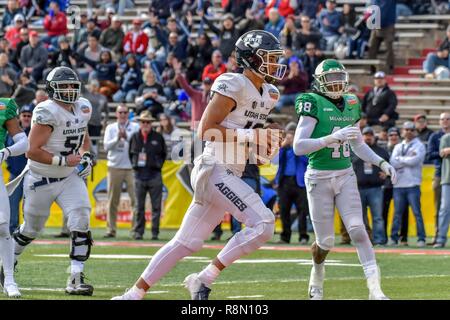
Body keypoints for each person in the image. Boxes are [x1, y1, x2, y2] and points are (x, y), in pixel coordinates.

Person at [112, 30, 285, 300]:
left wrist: (264, 145)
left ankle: (132, 295)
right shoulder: (233, 83)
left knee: (186, 242)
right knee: (263, 224)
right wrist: (254, 136)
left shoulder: (270, 93)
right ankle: (204, 278)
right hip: (214, 167)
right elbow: (205, 129)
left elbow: (247, 136)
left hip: (232, 169)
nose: (275, 64)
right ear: (251, 58)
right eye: (270, 58)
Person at [293, 59, 397, 300]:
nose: (336, 82)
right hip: (319, 177)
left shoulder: (351, 103)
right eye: (330, 78)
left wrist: (382, 162)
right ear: (320, 81)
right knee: (326, 241)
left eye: (339, 77)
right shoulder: (312, 102)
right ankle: (317, 274)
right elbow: (299, 147)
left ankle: (375, 290)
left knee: (358, 230)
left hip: (345, 174)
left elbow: (358, 145)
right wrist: (331, 138)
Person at [8, 67, 95, 296]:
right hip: (40, 177)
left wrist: (85, 157)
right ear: (51, 89)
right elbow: (31, 150)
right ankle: (7, 262)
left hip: (68, 177)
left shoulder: (83, 106)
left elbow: (83, 137)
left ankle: (76, 276)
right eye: (63, 86)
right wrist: (63, 160)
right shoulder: (46, 111)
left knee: (81, 217)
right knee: (31, 229)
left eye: (71, 86)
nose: (68, 90)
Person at [0, 98, 29, 298]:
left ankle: (9, 279)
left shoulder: (4, 105)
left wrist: (7, 151)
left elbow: (24, 142)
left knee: (2, 227)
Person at [128, 111, 167, 240]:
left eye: (148, 122)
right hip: (139, 175)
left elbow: (164, 154)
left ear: (151, 123)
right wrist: (135, 166)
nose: (145, 124)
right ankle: (139, 232)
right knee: (139, 206)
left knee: (156, 207)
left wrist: (157, 165)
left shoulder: (158, 137)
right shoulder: (134, 137)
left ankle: (155, 232)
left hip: (154, 175)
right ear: (140, 123)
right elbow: (130, 154)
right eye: (143, 122)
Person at [103, 105, 140, 238]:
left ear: (128, 114)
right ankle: (111, 229)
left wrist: (127, 137)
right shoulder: (111, 127)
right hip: (114, 166)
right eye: (120, 112)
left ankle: (135, 230)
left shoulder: (135, 127)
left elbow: (138, 144)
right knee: (113, 200)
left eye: (125, 112)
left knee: (135, 200)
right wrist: (117, 138)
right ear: (116, 114)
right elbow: (106, 146)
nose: (123, 115)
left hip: (131, 167)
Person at [389, 121, 426, 247]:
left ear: (414, 131)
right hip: (399, 185)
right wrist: (406, 160)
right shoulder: (398, 146)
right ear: (403, 131)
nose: (409, 131)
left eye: (411, 129)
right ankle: (394, 238)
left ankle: (421, 238)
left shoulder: (419, 145)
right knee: (397, 214)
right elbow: (392, 162)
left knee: (417, 213)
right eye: (406, 129)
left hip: (413, 184)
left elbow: (415, 161)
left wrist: (401, 159)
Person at [352, 126, 390, 245]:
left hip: (376, 188)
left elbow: (389, 165)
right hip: (359, 188)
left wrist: (386, 174)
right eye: (366, 135)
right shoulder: (355, 150)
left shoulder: (381, 151)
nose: (368, 137)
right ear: (362, 136)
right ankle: (364, 240)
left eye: (370, 135)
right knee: (360, 217)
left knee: (377, 216)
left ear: (374, 137)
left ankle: (379, 239)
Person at [274, 126, 309, 244]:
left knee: (302, 211)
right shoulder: (283, 150)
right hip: (284, 183)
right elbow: (274, 160)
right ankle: (285, 237)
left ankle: (303, 236)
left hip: (299, 183)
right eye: (288, 137)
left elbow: (307, 161)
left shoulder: (301, 150)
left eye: (292, 137)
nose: (289, 139)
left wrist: (296, 148)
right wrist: (283, 146)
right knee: (284, 210)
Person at [6, 105, 32, 234]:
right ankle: (12, 228)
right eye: (24, 115)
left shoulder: (34, 131)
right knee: (12, 203)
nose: (27, 118)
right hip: (15, 174)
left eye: (29, 115)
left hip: (29, 174)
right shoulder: (10, 132)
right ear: (19, 117)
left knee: (30, 205)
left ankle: (27, 230)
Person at [382, 127, 409, 244]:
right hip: (386, 185)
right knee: (384, 211)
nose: (393, 137)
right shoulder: (383, 150)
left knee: (403, 212)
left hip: (401, 183)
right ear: (387, 137)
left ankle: (403, 237)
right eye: (391, 135)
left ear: (399, 136)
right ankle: (383, 237)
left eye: (395, 135)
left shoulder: (403, 149)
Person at [426, 112, 450, 245]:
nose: (445, 121)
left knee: (443, 208)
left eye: (448, 119)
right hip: (441, 174)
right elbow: (431, 154)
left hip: (445, 173)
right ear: (439, 121)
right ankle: (438, 237)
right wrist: (443, 153)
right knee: (441, 208)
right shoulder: (436, 136)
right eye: (443, 119)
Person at [368, 0, 396, 74]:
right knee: (372, 47)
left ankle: (390, 68)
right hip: (376, 25)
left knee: (389, 47)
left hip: (388, 25)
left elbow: (384, 9)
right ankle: (372, 68)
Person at [434, 130, 450, 248]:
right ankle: (441, 239)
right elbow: (442, 153)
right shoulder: (446, 138)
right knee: (444, 210)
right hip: (447, 179)